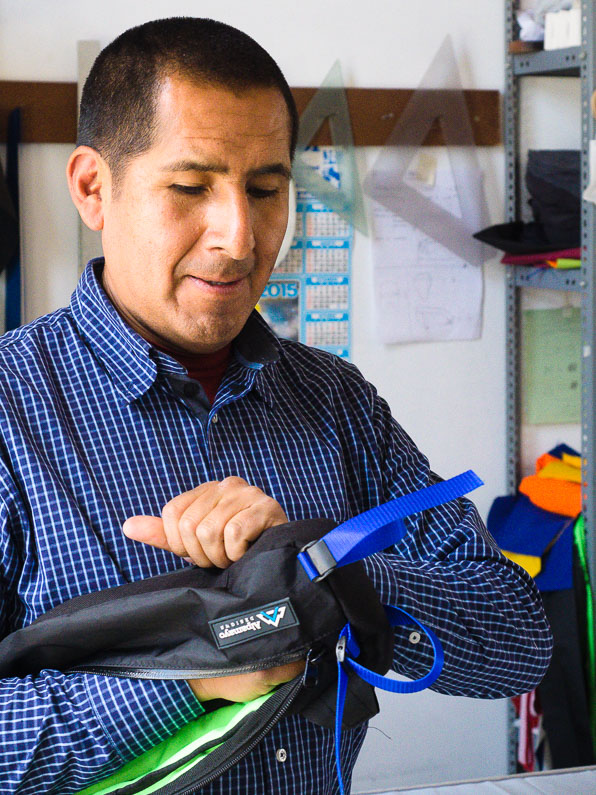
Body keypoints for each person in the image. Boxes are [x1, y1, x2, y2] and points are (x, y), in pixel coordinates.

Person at [0, 17, 551, 795]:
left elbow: (518, 640)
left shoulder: (336, 400)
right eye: (190, 187)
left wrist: (322, 569)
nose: (239, 237)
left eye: (265, 189)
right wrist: (199, 673)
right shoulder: (11, 413)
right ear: (94, 187)